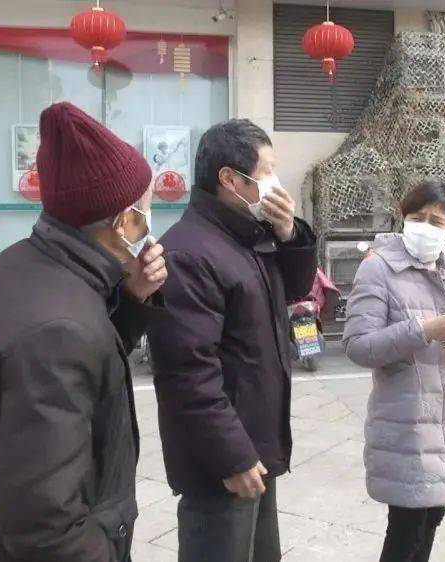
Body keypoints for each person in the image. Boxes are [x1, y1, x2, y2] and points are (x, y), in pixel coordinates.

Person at [0, 102, 167, 562]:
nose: (150, 222)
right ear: (124, 223)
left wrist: (133, 295)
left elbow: (88, 372)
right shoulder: (59, 332)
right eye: (146, 209)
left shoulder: (22, 264)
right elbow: (48, 529)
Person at [147, 118, 317, 562]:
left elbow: (297, 289)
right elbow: (188, 374)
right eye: (266, 171)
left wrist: (289, 234)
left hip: (255, 446)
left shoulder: (248, 237)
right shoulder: (189, 253)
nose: (275, 183)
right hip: (222, 462)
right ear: (229, 178)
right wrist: (231, 456)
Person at [343, 180, 445, 562]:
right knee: (406, 532)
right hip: (406, 426)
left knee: (430, 522)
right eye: (417, 217)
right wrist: (424, 330)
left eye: (437, 221)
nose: (425, 227)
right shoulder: (378, 268)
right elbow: (358, 345)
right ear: (403, 218)